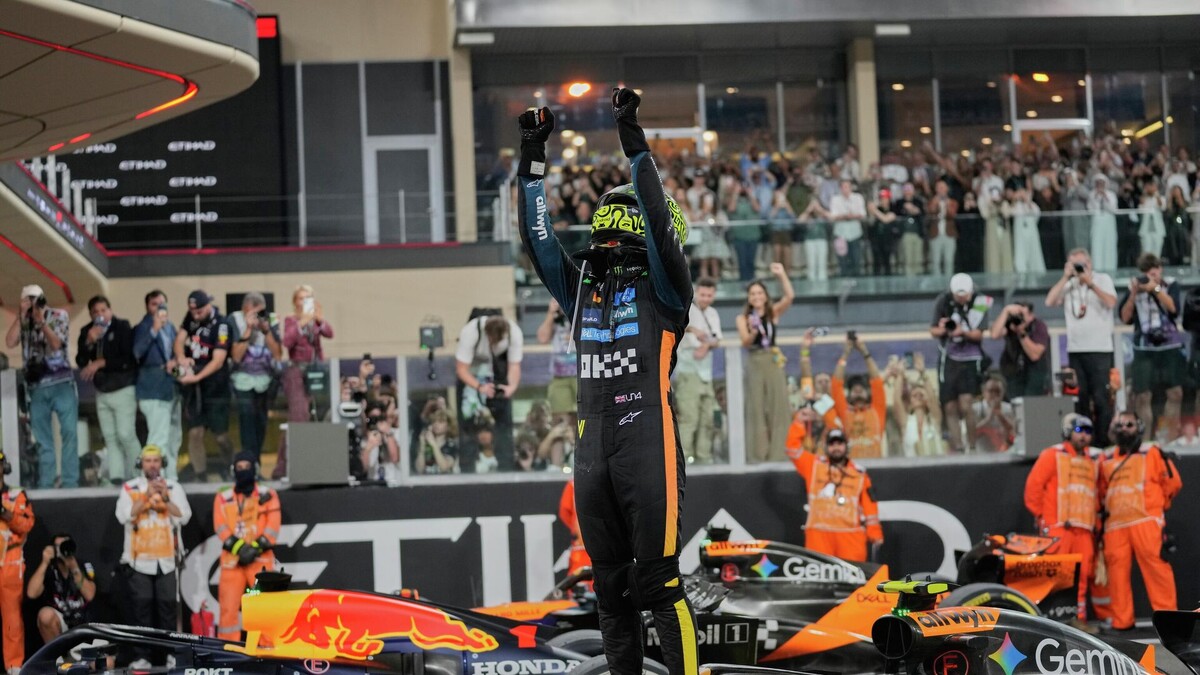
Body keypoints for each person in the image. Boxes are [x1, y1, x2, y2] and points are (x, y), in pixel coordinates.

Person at [516, 89, 698, 675]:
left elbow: (657, 222)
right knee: (611, 592)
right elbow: (538, 242)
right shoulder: (582, 290)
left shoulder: (669, 289)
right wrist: (532, 154)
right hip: (594, 448)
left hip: (647, 443)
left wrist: (632, 137)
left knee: (660, 583)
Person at [1098, 411, 1183, 631]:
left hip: (1146, 521)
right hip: (1115, 526)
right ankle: (1122, 622)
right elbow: (1101, 491)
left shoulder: (1151, 452)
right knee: (1117, 576)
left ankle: (1170, 622)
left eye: (1129, 424)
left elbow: (1173, 483)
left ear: (1139, 428)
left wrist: (1158, 507)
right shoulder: (1106, 457)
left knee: (1157, 571)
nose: (1124, 429)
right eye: (1120, 425)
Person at [115, 445, 191, 665]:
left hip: (167, 559)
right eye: (148, 461)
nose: (152, 465)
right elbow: (123, 515)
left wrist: (166, 498)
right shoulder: (130, 488)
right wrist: (146, 495)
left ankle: (172, 655)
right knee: (141, 611)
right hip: (139, 560)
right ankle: (142, 656)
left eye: (156, 460)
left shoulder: (174, 487)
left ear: (162, 463)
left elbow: (184, 516)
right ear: (141, 464)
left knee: (168, 610)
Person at [1024, 414, 1099, 630]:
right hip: (1059, 529)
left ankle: (1078, 621)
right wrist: (1044, 519)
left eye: (1088, 431)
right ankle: (1053, 624)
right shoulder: (1052, 455)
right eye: (1079, 430)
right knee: (1057, 577)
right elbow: (1033, 489)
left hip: (1083, 529)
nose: (1084, 436)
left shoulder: (1093, 461)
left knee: (1081, 578)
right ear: (1067, 432)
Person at [5, 285, 78, 488]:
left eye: (35, 299)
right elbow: (10, 342)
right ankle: (47, 484)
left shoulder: (58, 315)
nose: (33, 303)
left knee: (69, 433)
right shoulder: (23, 320)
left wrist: (42, 322)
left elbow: (56, 345)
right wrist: (21, 315)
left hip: (61, 382)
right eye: (28, 299)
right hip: (36, 387)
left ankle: (70, 483)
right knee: (43, 439)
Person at [1045, 249, 1118, 435]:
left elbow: (1111, 302)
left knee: (1101, 398)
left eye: (1081, 264)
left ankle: (1102, 440)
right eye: (1074, 265)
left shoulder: (1102, 279)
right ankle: (1083, 437)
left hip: (1100, 349)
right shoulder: (1070, 284)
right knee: (1080, 398)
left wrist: (1090, 284)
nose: (1078, 268)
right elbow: (1049, 301)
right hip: (1076, 350)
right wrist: (1065, 277)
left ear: (1090, 264)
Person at [787, 428, 883, 562]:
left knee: (853, 573)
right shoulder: (814, 465)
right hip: (819, 536)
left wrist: (874, 532)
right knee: (819, 573)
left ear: (846, 446)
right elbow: (792, 449)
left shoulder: (860, 474)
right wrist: (799, 423)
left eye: (839, 443)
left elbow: (870, 506)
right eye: (832, 444)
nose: (836, 448)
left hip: (850, 537)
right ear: (826, 447)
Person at [213, 451, 280, 640]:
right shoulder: (223, 496)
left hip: (260, 562)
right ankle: (228, 650)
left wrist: (254, 549)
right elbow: (220, 526)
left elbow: (273, 527)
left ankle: (267, 648)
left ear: (255, 469)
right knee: (228, 610)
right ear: (233, 470)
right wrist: (240, 549)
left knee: (264, 609)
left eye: (247, 467)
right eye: (239, 467)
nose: (243, 471)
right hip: (232, 562)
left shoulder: (268, 494)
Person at [1120, 252, 1185, 441]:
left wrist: (1155, 289)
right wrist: (1134, 293)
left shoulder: (1170, 285)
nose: (1152, 275)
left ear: (1160, 269)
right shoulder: (1134, 287)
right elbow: (1125, 317)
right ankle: (1145, 442)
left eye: (1155, 271)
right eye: (1148, 272)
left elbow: (1174, 309)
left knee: (1175, 393)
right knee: (1142, 396)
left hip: (1169, 345)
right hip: (1144, 347)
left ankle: (1170, 440)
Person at [76, 295, 140, 483]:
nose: (100, 314)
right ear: (90, 314)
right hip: (102, 391)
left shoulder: (122, 327)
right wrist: (88, 342)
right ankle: (116, 477)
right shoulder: (87, 331)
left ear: (110, 310)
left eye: (103, 310)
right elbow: (81, 361)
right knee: (110, 437)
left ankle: (139, 474)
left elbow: (128, 360)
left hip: (123, 388)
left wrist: (101, 363)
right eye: (95, 312)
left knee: (126, 434)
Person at [738, 263, 796, 462]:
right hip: (754, 360)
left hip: (772, 358)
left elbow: (789, 297)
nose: (756, 297)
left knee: (778, 405)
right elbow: (745, 342)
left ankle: (778, 455)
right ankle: (757, 455)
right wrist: (753, 331)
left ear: (765, 296)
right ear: (749, 297)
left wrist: (781, 275)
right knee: (756, 407)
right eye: (753, 294)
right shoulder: (742, 318)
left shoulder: (773, 313)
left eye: (760, 293)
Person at [274, 284, 333, 479]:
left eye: (308, 298)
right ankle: (284, 466)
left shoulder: (315, 321)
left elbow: (329, 333)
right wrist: (303, 322)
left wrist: (319, 320)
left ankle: (305, 462)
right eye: (301, 298)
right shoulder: (291, 320)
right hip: (297, 372)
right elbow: (287, 341)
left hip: (315, 372)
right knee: (298, 417)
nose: (304, 302)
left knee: (310, 417)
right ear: (295, 301)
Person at [175, 290, 234, 482]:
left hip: (215, 385)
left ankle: (230, 467)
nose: (195, 315)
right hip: (194, 387)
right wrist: (182, 359)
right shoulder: (190, 318)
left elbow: (218, 361)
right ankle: (201, 476)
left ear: (208, 305)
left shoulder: (222, 325)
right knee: (195, 433)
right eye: (192, 311)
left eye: (199, 311)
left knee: (220, 436)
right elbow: (179, 340)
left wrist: (197, 377)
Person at [930, 273, 992, 452]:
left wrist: (962, 332)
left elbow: (979, 334)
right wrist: (944, 329)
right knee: (949, 405)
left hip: (970, 359)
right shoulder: (943, 301)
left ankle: (972, 446)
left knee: (966, 403)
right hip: (948, 358)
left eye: (965, 296)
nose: (961, 299)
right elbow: (933, 330)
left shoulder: (980, 302)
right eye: (958, 296)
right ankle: (957, 446)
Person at [455, 312, 523, 461]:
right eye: (492, 340)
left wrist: (511, 387)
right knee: (467, 423)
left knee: (504, 425)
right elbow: (461, 369)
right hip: (473, 374)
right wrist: (480, 387)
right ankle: (469, 464)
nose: (495, 343)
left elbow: (514, 366)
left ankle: (506, 464)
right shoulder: (471, 332)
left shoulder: (514, 333)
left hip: (498, 372)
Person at [133, 291, 182, 479]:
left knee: (174, 438)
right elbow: (137, 352)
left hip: (171, 387)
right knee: (158, 437)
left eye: (162, 304)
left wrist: (176, 364)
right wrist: (154, 329)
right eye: (155, 304)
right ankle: (152, 480)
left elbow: (176, 355)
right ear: (147, 307)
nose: (159, 308)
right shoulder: (143, 327)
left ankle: (171, 478)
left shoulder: (170, 327)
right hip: (152, 390)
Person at [228, 293, 283, 462]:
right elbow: (236, 357)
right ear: (245, 309)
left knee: (261, 422)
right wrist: (248, 328)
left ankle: (256, 462)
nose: (258, 316)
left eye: (261, 312)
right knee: (247, 421)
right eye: (254, 312)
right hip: (242, 381)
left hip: (265, 381)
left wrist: (266, 330)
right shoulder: (233, 320)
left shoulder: (271, 320)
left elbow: (278, 355)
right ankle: (249, 463)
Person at [675, 278, 722, 464]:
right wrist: (693, 330)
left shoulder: (713, 313)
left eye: (709, 295)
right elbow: (677, 326)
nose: (706, 298)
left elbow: (717, 339)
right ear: (696, 293)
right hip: (688, 370)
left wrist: (706, 346)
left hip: (706, 372)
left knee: (707, 418)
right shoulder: (686, 309)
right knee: (689, 418)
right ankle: (685, 459)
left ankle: (704, 457)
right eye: (702, 294)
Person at [26, 533, 96, 642]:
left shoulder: (82, 565)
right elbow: (31, 593)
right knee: (45, 615)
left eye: (65, 545)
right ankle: (58, 652)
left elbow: (89, 595)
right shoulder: (49, 568)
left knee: (106, 655)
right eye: (58, 547)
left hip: (83, 622)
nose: (62, 550)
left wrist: (74, 568)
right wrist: (44, 563)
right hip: (60, 621)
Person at [0, 451, 33, 673]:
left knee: (12, 618)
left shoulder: (16, 495)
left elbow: (26, 525)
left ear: (4, 467)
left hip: (9, 561)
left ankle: (14, 667)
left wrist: (4, 512)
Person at [830, 334, 887, 458]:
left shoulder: (877, 411)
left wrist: (865, 352)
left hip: (876, 466)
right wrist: (845, 354)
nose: (858, 391)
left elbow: (876, 381)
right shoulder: (845, 413)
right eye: (854, 390)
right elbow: (836, 384)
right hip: (851, 467)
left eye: (861, 389)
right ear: (849, 395)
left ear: (868, 393)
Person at [989, 302, 1051, 398]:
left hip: (1035, 372)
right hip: (1013, 371)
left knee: (1032, 401)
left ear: (1031, 316)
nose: (1019, 318)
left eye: (1022, 315)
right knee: (1014, 401)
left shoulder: (1038, 326)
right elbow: (994, 335)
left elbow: (1035, 355)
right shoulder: (1010, 325)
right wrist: (1005, 311)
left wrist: (1021, 333)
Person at [887, 353, 943, 457]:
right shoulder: (906, 422)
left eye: (921, 395)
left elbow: (932, 398)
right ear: (910, 402)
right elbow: (897, 400)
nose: (918, 397)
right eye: (914, 395)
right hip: (912, 466)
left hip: (937, 465)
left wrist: (922, 372)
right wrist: (900, 375)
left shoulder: (934, 419)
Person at [537, 299, 578, 428]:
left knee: (582, 416)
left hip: (582, 374)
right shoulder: (555, 319)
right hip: (559, 375)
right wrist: (551, 313)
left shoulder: (582, 310)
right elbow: (542, 338)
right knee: (560, 419)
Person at [829, 179, 866, 276]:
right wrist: (846, 216)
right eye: (843, 187)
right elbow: (833, 216)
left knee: (856, 260)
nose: (846, 189)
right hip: (840, 234)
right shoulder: (835, 199)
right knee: (842, 262)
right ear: (840, 188)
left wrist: (850, 216)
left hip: (855, 233)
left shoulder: (858, 198)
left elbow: (862, 214)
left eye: (847, 187)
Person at [558, 479, 592, 577]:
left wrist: (576, 529)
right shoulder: (611, 480)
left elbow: (564, 512)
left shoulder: (573, 484)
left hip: (582, 548)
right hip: (606, 548)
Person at [925, 178, 958, 276]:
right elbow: (930, 211)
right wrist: (935, 202)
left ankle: (949, 282)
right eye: (939, 187)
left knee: (949, 261)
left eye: (943, 187)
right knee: (935, 261)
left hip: (949, 234)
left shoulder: (952, 202)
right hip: (935, 234)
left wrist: (946, 204)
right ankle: (937, 282)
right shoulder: (931, 201)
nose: (941, 190)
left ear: (947, 189)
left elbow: (951, 215)